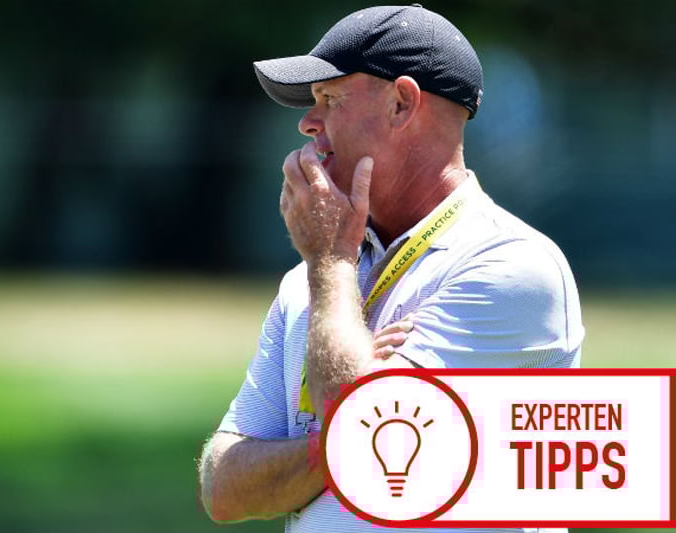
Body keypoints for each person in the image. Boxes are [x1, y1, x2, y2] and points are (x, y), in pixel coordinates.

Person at [199, 4, 582, 532]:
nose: (308, 123)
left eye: (330, 98)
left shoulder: (514, 265)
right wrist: (340, 434)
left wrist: (333, 268)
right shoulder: (306, 281)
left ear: (402, 103)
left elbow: (368, 434)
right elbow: (223, 489)